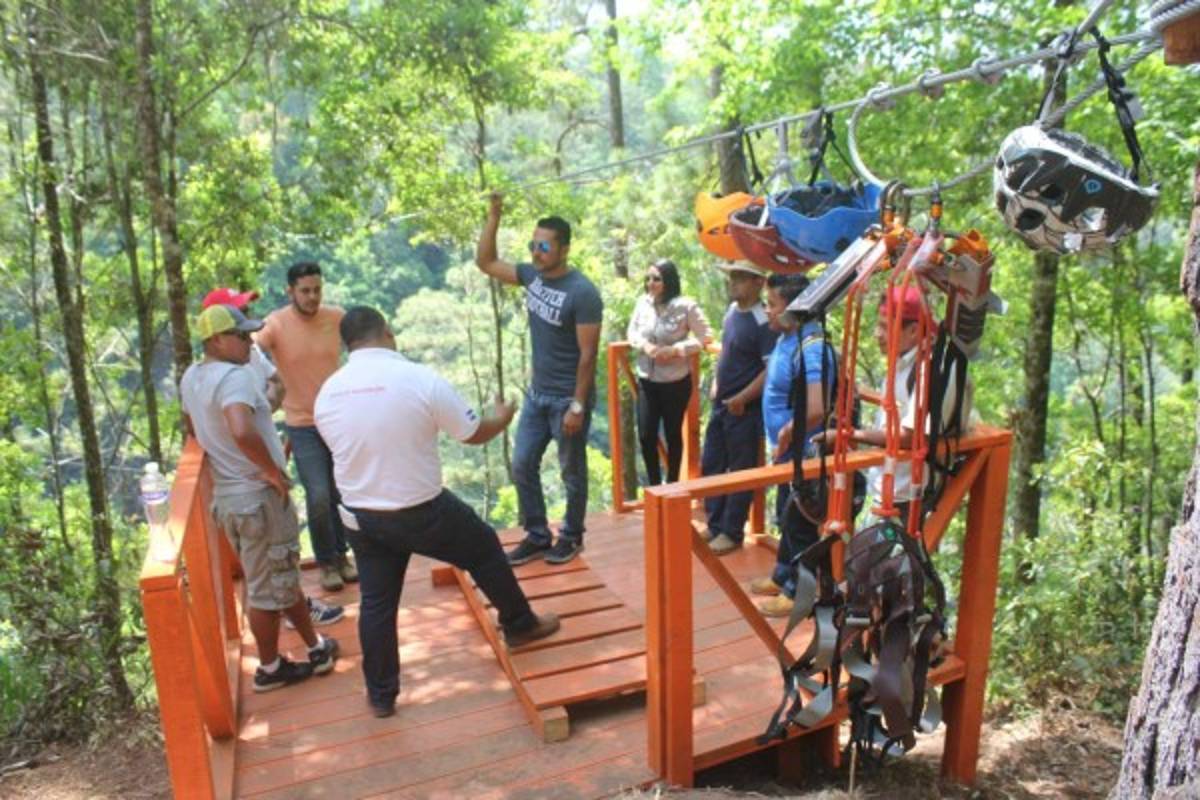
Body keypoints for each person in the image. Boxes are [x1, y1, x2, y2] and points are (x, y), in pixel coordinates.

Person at [314, 306, 561, 718]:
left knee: (376, 602)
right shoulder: (418, 378)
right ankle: (520, 625)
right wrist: (501, 418)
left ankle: (381, 695)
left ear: (347, 345)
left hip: (361, 515)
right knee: (482, 546)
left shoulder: (329, 392)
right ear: (388, 333)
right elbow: (472, 432)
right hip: (420, 509)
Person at [181, 304, 340, 693]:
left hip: (230, 498)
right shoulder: (234, 377)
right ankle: (269, 668)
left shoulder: (191, 377)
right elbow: (239, 427)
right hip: (257, 496)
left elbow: (193, 426)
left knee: (275, 575)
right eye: (240, 336)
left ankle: (314, 646)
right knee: (267, 588)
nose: (248, 341)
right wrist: (270, 471)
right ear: (216, 340)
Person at [475, 192, 603, 566]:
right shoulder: (532, 277)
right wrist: (494, 216)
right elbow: (485, 262)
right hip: (537, 395)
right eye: (533, 245)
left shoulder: (582, 292)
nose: (536, 252)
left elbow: (588, 355)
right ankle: (536, 534)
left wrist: (577, 405)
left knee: (571, 472)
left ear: (564, 249)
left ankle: (572, 535)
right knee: (522, 464)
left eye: (544, 246)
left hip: (567, 398)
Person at [256, 261, 356, 592]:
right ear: (291, 292)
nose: (313, 297)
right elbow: (252, 348)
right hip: (302, 423)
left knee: (342, 491)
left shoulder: (336, 317)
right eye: (305, 291)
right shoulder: (276, 324)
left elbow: (365, 340)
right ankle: (326, 562)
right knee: (318, 494)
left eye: (317, 290)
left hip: (340, 418)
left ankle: (344, 556)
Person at [838, 285, 974, 520]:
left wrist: (855, 435)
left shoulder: (934, 367)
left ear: (913, 331)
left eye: (884, 326)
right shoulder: (905, 361)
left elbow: (913, 436)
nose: (877, 334)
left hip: (911, 498)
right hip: (890, 490)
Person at [751, 273, 838, 617]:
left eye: (772, 305)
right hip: (787, 453)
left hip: (803, 452)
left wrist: (788, 430)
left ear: (793, 307)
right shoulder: (788, 337)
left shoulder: (812, 346)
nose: (767, 311)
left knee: (800, 525)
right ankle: (782, 574)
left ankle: (797, 594)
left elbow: (817, 408)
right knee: (786, 516)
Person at [701, 262, 778, 555]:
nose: (733, 283)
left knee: (741, 469)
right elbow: (728, 350)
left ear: (758, 282)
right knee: (713, 462)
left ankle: (732, 532)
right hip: (722, 403)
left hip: (744, 409)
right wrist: (717, 384)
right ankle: (715, 522)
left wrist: (743, 397)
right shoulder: (733, 312)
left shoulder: (763, 322)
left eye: (741, 278)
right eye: (732, 277)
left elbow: (769, 369)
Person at [625, 259, 712, 486]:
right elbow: (632, 332)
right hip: (647, 379)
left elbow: (705, 337)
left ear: (668, 281)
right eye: (648, 278)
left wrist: (676, 350)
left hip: (675, 382)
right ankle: (655, 487)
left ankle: (672, 484)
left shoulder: (685, 306)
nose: (651, 283)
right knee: (646, 435)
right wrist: (645, 346)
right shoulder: (642, 303)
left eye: (657, 279)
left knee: (673, 434)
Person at [202, 287, 284, 411]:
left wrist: (265, 407)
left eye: (246, 310)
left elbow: (278, 382)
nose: (246, 317)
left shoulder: (252, 350)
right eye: (240, 312)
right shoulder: (211, 375)